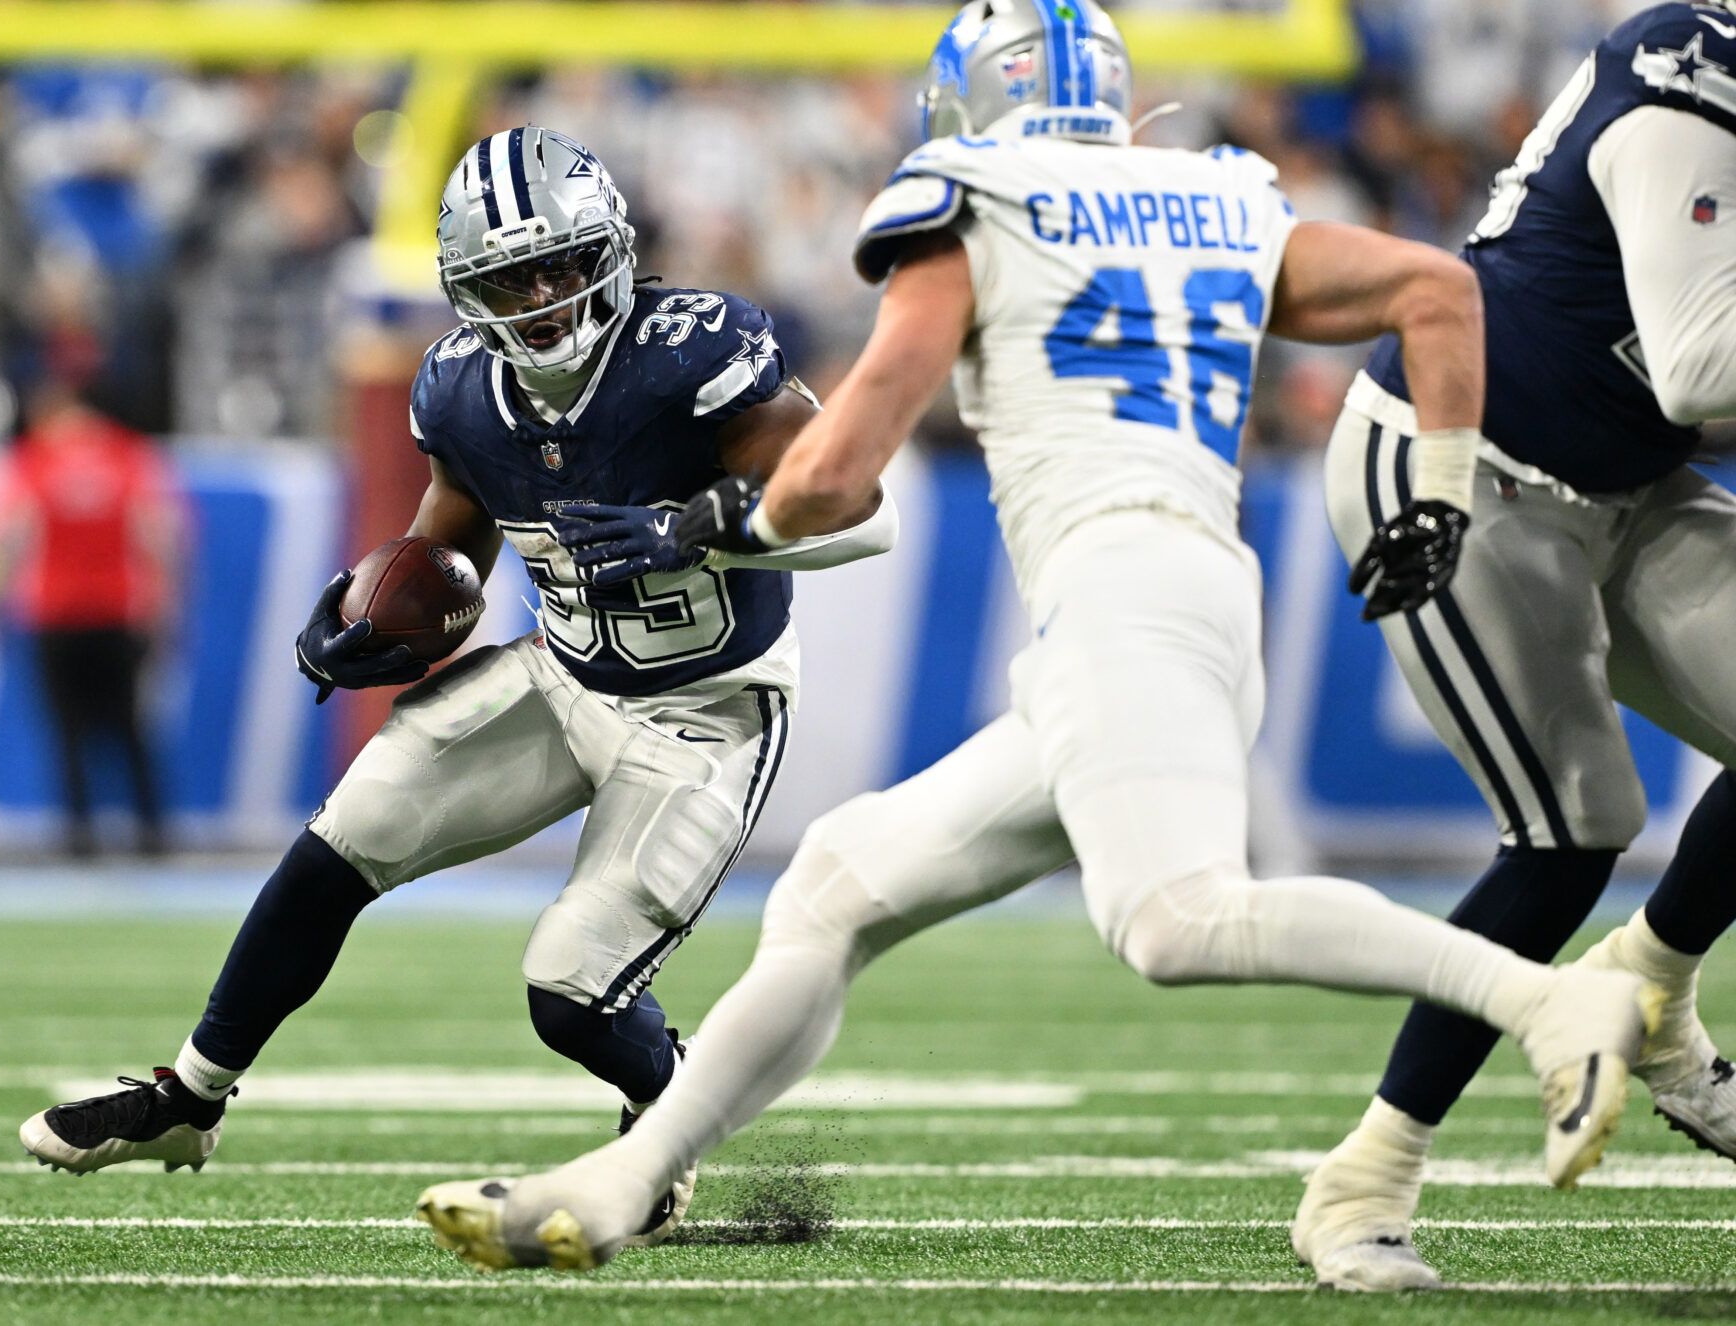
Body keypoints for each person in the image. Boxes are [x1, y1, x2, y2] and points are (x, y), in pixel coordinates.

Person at [414, 0, 1663, 1274]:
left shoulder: (977, 196)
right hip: (1188, 594)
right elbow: (1435, 287)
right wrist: (1439, 487)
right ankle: (623, 1182)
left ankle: (1549, 996)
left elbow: (840, 471)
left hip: (1122, 593)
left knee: (1176, 921)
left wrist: (706, 526)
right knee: (837, 884)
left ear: (969, 104)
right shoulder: (1212, 194)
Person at [16, 128, 897, 1248]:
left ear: (611, 254)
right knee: (351, 831)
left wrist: (697, 528)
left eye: (558, 265)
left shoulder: (691, 352)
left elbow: (868, 510)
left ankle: (661, 1132)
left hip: (706, 704)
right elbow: (454, 546)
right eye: (504, 279)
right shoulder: (464, 387)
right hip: (564, 673)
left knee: (570, 985)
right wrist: (373, 618)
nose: (537, 298)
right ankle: (188, 1100)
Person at [1297, 1, 1736, 1291]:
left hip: (1630, 485)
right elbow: (1701, 374)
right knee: (1570, 833)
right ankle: (1359, 1183)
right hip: (1464, 459)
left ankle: (1651, 988)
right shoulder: (1690, 73)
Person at [0, 377, 181, 857]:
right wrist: (166, 608)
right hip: (117, 611)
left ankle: (80, 835)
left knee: (67, 731)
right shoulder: (130, 456)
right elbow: (163, 536)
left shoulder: (30, 461)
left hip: (53, 614)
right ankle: (151, 833)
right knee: (129, 727)